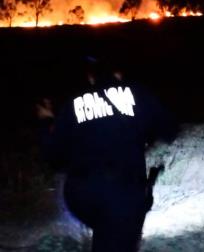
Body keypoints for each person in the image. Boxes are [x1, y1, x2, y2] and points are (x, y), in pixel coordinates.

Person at [38, 57, 177, 252]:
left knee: (109, 232)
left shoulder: (73, 103)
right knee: (119, 231)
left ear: (91, 77)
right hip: (123, 193)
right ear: (119, 74)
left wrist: (46, 122)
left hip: (80, 196)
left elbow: (53, 156)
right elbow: (170, 130)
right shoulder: (137, 93)